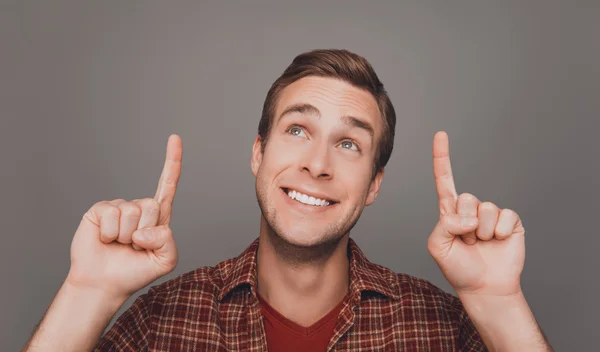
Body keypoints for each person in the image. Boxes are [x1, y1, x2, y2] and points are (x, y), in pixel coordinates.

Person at [23, 50, 553, 351]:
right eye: (298, 130)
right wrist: (87, 292)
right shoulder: (163, 320)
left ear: (373, 184)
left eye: (348, 144)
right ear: (259, 153)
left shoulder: (440, 327)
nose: (317, 163)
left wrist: (500, 303)